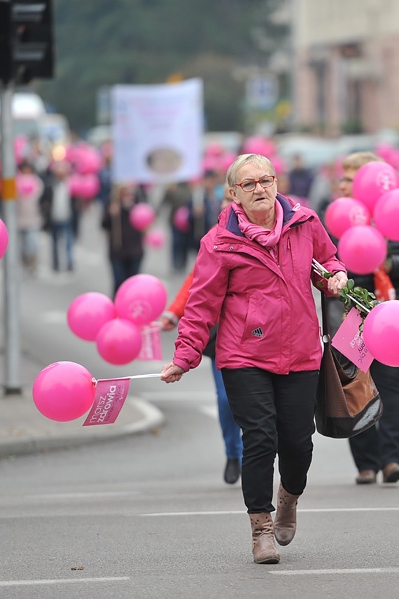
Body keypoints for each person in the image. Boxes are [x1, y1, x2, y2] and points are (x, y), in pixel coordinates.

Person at [160, 154, 348, 565]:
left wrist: (335, 275)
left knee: (298, 444)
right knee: (260, 438)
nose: (260, 188)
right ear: (234, 194)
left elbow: (326, 261)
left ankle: (289, 498)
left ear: (277, 183)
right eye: (249, 184)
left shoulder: (304, 222)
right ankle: (260, 527)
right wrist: (185, 356)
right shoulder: (219, 242)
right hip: (244, 354)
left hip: (300, 351)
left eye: (266, 180)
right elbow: (201, 304)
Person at [336, 151, 399, 485]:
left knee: (393, 386)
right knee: (355, 387)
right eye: (344, 179)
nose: (344, 185)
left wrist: (391, 264)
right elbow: (321, 259)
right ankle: (365, 462)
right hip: (351, 313)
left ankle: (392, 459)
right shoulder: (338, 216)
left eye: (351, 179)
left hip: (395, 312)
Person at [161, 192, 244, 485]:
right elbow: (195, 281)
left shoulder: (264, 235)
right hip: (221, 336)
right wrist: (174, 313)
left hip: (256, 336)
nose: (227, 208)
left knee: (259, 402)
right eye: (224, 202)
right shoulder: (214, 238)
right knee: (225, 400)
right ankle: (234, 454)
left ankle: (256, 456)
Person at [101, 183, 146, 297]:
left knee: (132, 285)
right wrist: (111, 214)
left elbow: (146, 222)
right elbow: (104, 225)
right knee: (119, 282)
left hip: (135, 251)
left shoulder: (138, 204)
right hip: (118, 251)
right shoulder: (113, 204)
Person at [39, 160, 77, 273]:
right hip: (54, 218)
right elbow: (44, 201)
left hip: (67, 218)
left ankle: (69, 262)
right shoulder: (50, 185)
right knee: (55, 243)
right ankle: (56, 263)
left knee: (69, 242)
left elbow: (75, 203)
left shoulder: (71, 185)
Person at [15, 161, 43, 276]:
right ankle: (24, 264)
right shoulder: (16, 182)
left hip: (33, 218)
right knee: (21, 246)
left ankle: (32, 264)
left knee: (32, 244)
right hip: (19, 218)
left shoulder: (37, 183)